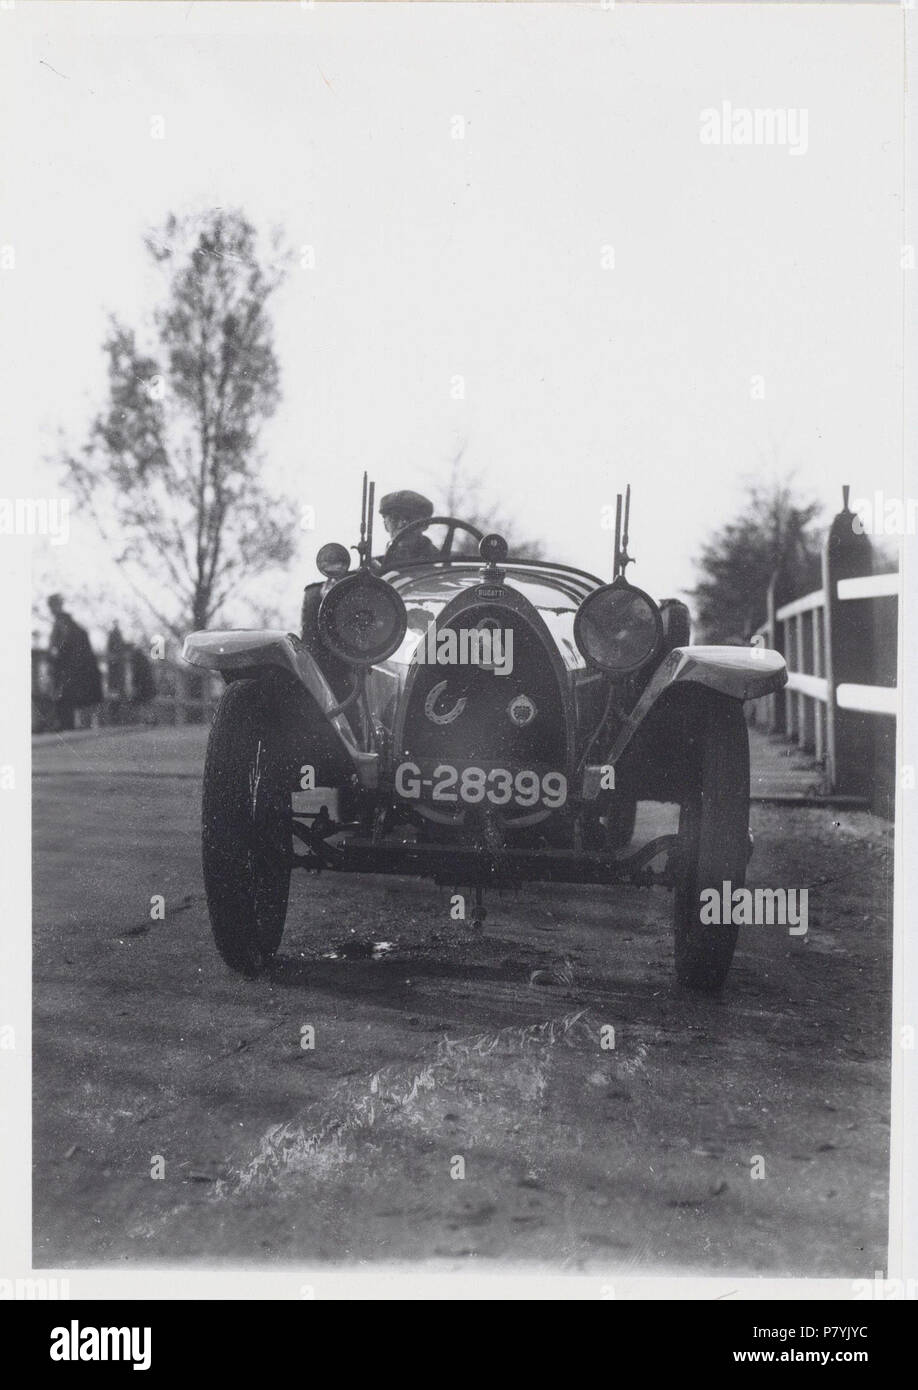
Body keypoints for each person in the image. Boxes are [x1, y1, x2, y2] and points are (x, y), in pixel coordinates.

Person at [47, 594, 103, 731]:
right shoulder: (67, 623)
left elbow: (61, 643)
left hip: (69, 665)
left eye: (54, 605)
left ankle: (68, 724)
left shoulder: (63, 623)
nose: (52, 609)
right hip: (75, 665)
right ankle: (72, 724)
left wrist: (55, 653)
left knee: (68, 694)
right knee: (73, 695)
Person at [379, 490, 440, 565]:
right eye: (394, 518)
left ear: (425, 525)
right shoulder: (375, 567)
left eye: (410, 518)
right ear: (385, 525)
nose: (402, 524)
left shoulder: (445, 562)